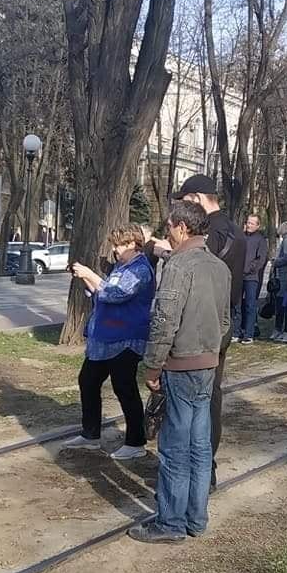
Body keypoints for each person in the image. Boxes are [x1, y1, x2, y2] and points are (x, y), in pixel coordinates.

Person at [129, 200, 230, 544]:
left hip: (181, 366)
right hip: (207, 365)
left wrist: (153, 365)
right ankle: (196, 519)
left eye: (170, 226)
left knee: (174, 446)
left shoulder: (178, 266)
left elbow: (164, 321)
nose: (167, 233)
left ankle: (170, 523)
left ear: (183, 228)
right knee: (201, 446)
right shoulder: (219, 268)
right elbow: (226, 321)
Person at [63, 226, 156, 461]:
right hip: (105, 337)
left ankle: (135, 442)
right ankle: (90, 434)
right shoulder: (121, 267)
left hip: (126, 337)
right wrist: (86, 278)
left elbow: (117, 294)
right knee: (88, 380)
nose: (114, 250)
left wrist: (90, 274)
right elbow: (103, 294)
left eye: (119, 245)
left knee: (124, 388)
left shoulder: (140, 269)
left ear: (133, 244)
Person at [174, 175, 244, 482]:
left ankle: (200, 468)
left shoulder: (210, 232)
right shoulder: (235, 230)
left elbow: (198, 274)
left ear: (198, 199)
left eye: (185, 202)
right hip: (225, 319)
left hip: (203, 322)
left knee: (196, 397)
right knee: (210, 393)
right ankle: (205, 465)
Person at [236, 214, 268, 343]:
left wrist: (250, 269)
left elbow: (261, 259)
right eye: (248, 223)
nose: (249, 225)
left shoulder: (260, 240)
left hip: (251, 277)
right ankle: (236, 332)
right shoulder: (241, 237)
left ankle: (249, 334)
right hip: (238, 276)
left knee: (250, 305)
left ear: (257, 225)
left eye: (252, 223)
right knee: (236, 305)